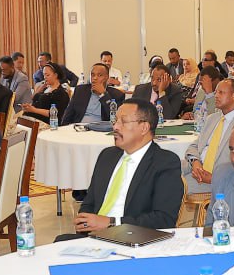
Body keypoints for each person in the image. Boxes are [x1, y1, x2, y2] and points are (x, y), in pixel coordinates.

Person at [58, 99, 184, 237]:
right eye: (115, 121)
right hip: (95, 238)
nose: (115, 127)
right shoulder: (108, 156)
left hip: (135, 239)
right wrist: (85, 222)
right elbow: (89, 202)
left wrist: (111, 223)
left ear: (144, 128)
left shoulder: (164, 162)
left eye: (123, 121)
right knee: (59, 242)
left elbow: (164, 219)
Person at [183, 78, 234, 194]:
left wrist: (214, 179)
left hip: (216, 179)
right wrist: (195, 162)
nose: (216, 96)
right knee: (161, 170)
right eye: (215, 92)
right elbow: (194, 146)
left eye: (221, 92)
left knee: (171, 187)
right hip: (196, 167)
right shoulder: (212, 119)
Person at [61, 63, 125, 125]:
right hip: (79, 127)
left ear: (107, 77)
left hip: (100, 129)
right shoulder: (80, 90)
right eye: (93, 75)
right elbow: (68, 114)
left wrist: (103, 94)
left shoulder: (117, 95)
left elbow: (115, 118)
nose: (95, 78)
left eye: (99, 75)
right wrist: (63, 129)